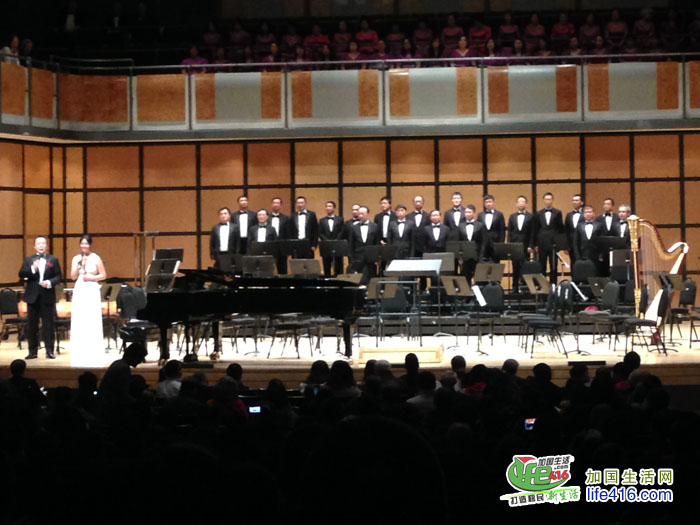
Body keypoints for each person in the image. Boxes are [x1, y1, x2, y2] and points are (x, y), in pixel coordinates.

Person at [19, 235, 62, 359]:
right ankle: (32, 351)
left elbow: (58, 277)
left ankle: (49, 351)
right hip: (32, 296)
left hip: (47, 295)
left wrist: (49, 282)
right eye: (38, 243)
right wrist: (33, 268)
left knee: (48, 325)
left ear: (46, 245)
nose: (41, 246)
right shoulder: (28, 260)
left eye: (43, 243)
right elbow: (21, 274)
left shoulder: (53, 259)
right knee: (32, 325)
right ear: (34, 246)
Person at [70, 234, 107, 366]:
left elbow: (103, 275)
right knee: (80, 317)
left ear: (90, 244)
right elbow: (73, 276)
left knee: (91, 317)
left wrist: (92, 278)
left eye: (86, 243)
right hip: (80, 287)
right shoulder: (76, 258)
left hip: (91, 287)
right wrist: (79, 265)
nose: (84, 246)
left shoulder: (96, 257)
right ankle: (80, 349)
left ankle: (93, 348)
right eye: (82, 243)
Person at [532, 192, 564, 283]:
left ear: (552, 200)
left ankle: (553, 285)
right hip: (541, 243)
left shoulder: (558, 213)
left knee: (553, 266)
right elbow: (535, 229)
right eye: (546, 199)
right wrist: (535, 244)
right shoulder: (538, 213)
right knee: (542, 266)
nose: (548, 201)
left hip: (553, 243)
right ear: (543, 200)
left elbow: (560, 229)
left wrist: (560, 244)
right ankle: (542, 286)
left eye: (549, 199)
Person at [507, 195, 534, 291]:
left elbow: (532, 232)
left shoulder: (531, 216)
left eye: (523, 202)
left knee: (525, 267)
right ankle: (514, 287)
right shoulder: (512, 216)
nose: (521, 204)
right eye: (519, 202)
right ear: (516, 204)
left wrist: (531, 245)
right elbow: (509, 232)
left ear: (526, 204)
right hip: (514, 246)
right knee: (515, 267)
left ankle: (525, 288)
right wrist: (509, 245)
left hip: (525, 246)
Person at [348, 206, 380, 284]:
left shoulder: (375, 226)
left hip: (370, 259)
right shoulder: (353, 227)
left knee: (370, 280)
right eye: (359, 214)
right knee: (358, 281)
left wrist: (376, 259)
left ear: (367, 214)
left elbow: (376, 243)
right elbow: (351, 244)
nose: (360, 216)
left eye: (362, 214)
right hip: (357, 258)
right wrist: (352, 260)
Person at [457, 205, 485, 282]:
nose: (467, 214)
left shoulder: (480, 225)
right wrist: (460, 257)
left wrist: (481, 256)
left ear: (474, 213)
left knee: (479, 278)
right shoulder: (460, 226)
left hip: (477, 256)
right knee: (466, 277)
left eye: (469, 212)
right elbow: (459, 242)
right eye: (466, 212)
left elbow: (483, 242)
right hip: (465, 256)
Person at [318, 200, 345, 277]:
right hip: (326, 246)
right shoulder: (322, 220)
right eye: (326, 206)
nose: (328, 208)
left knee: (338, 266)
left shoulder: (340, 219)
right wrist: (327, 241)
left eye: (330, 206)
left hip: (338, 246)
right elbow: (320, 232)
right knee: (326, 266)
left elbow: (341, 231)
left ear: (334, 208)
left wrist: (336, 241)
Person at [477, 194, 505, 262]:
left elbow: (502, 231)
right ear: (484, 204)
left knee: (496, 263)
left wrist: (501, 244)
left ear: (493, 202)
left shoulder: (499, 214)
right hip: (483, 244)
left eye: (490, 202)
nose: (488, 204)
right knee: (483, 263)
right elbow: (478, 230)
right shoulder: (480, 215)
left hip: (495, 243)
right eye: (486, 202)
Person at [270, 197, 291, 274]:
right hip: (269, 246)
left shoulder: (286, 218)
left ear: (281, 205)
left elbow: (288, 234)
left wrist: (287, 248)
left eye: (277, 203)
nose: (275, 205)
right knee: (268, 269)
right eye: (274, 203)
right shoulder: (266, 217)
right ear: (272, 204)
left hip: (282, 247)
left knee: (283, 270)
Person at [565, 194, 584, 268]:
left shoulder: (585, 214)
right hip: (572, 245)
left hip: (583, 244)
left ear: (581, 202)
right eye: (573, 200)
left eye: (576, 200)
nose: (574, 202)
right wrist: (566, 246)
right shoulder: (569, 215)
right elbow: (566, 231)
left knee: (583, 264)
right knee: (573, 264)